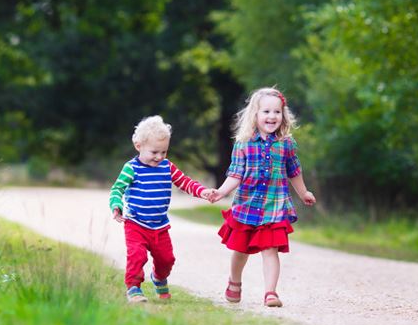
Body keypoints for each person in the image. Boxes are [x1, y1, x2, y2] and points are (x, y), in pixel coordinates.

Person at [209, 87, 316, 307]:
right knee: (240, 250)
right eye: (266, 111)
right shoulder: (243, 143)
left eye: (277, 112)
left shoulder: (286, 144)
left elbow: (294, 171)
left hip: (274, 207)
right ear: (255, 115)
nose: (272, 116)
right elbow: (235, 174)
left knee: (271, 250)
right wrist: (221, 191)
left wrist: (303, 192)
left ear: (283, 116)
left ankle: (270, 293)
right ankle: (234, 281)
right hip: (247, 206)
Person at [109, 115, 213, 303]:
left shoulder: (167, 166)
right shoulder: (131, 168)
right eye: (154, 152)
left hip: (160, 226)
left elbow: (185, 182)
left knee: (166, 259)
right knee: (137, 256)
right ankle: (133, 288)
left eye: (164, 152)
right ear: (138, 146)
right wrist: (116, 206)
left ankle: (158, 277)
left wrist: (202, 192)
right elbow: (117, 189)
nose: (159, 157)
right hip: (135, 223)